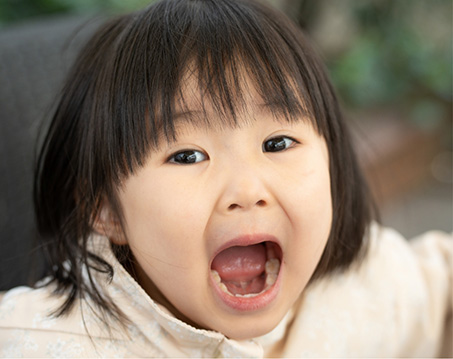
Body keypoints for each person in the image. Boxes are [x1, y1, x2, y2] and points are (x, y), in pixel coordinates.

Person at [0, 0, 451, 357]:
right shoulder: (33, 342)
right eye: (188, 154)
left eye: (277, 143)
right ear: (104, 208)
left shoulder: (367, 290)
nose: (246, 191)